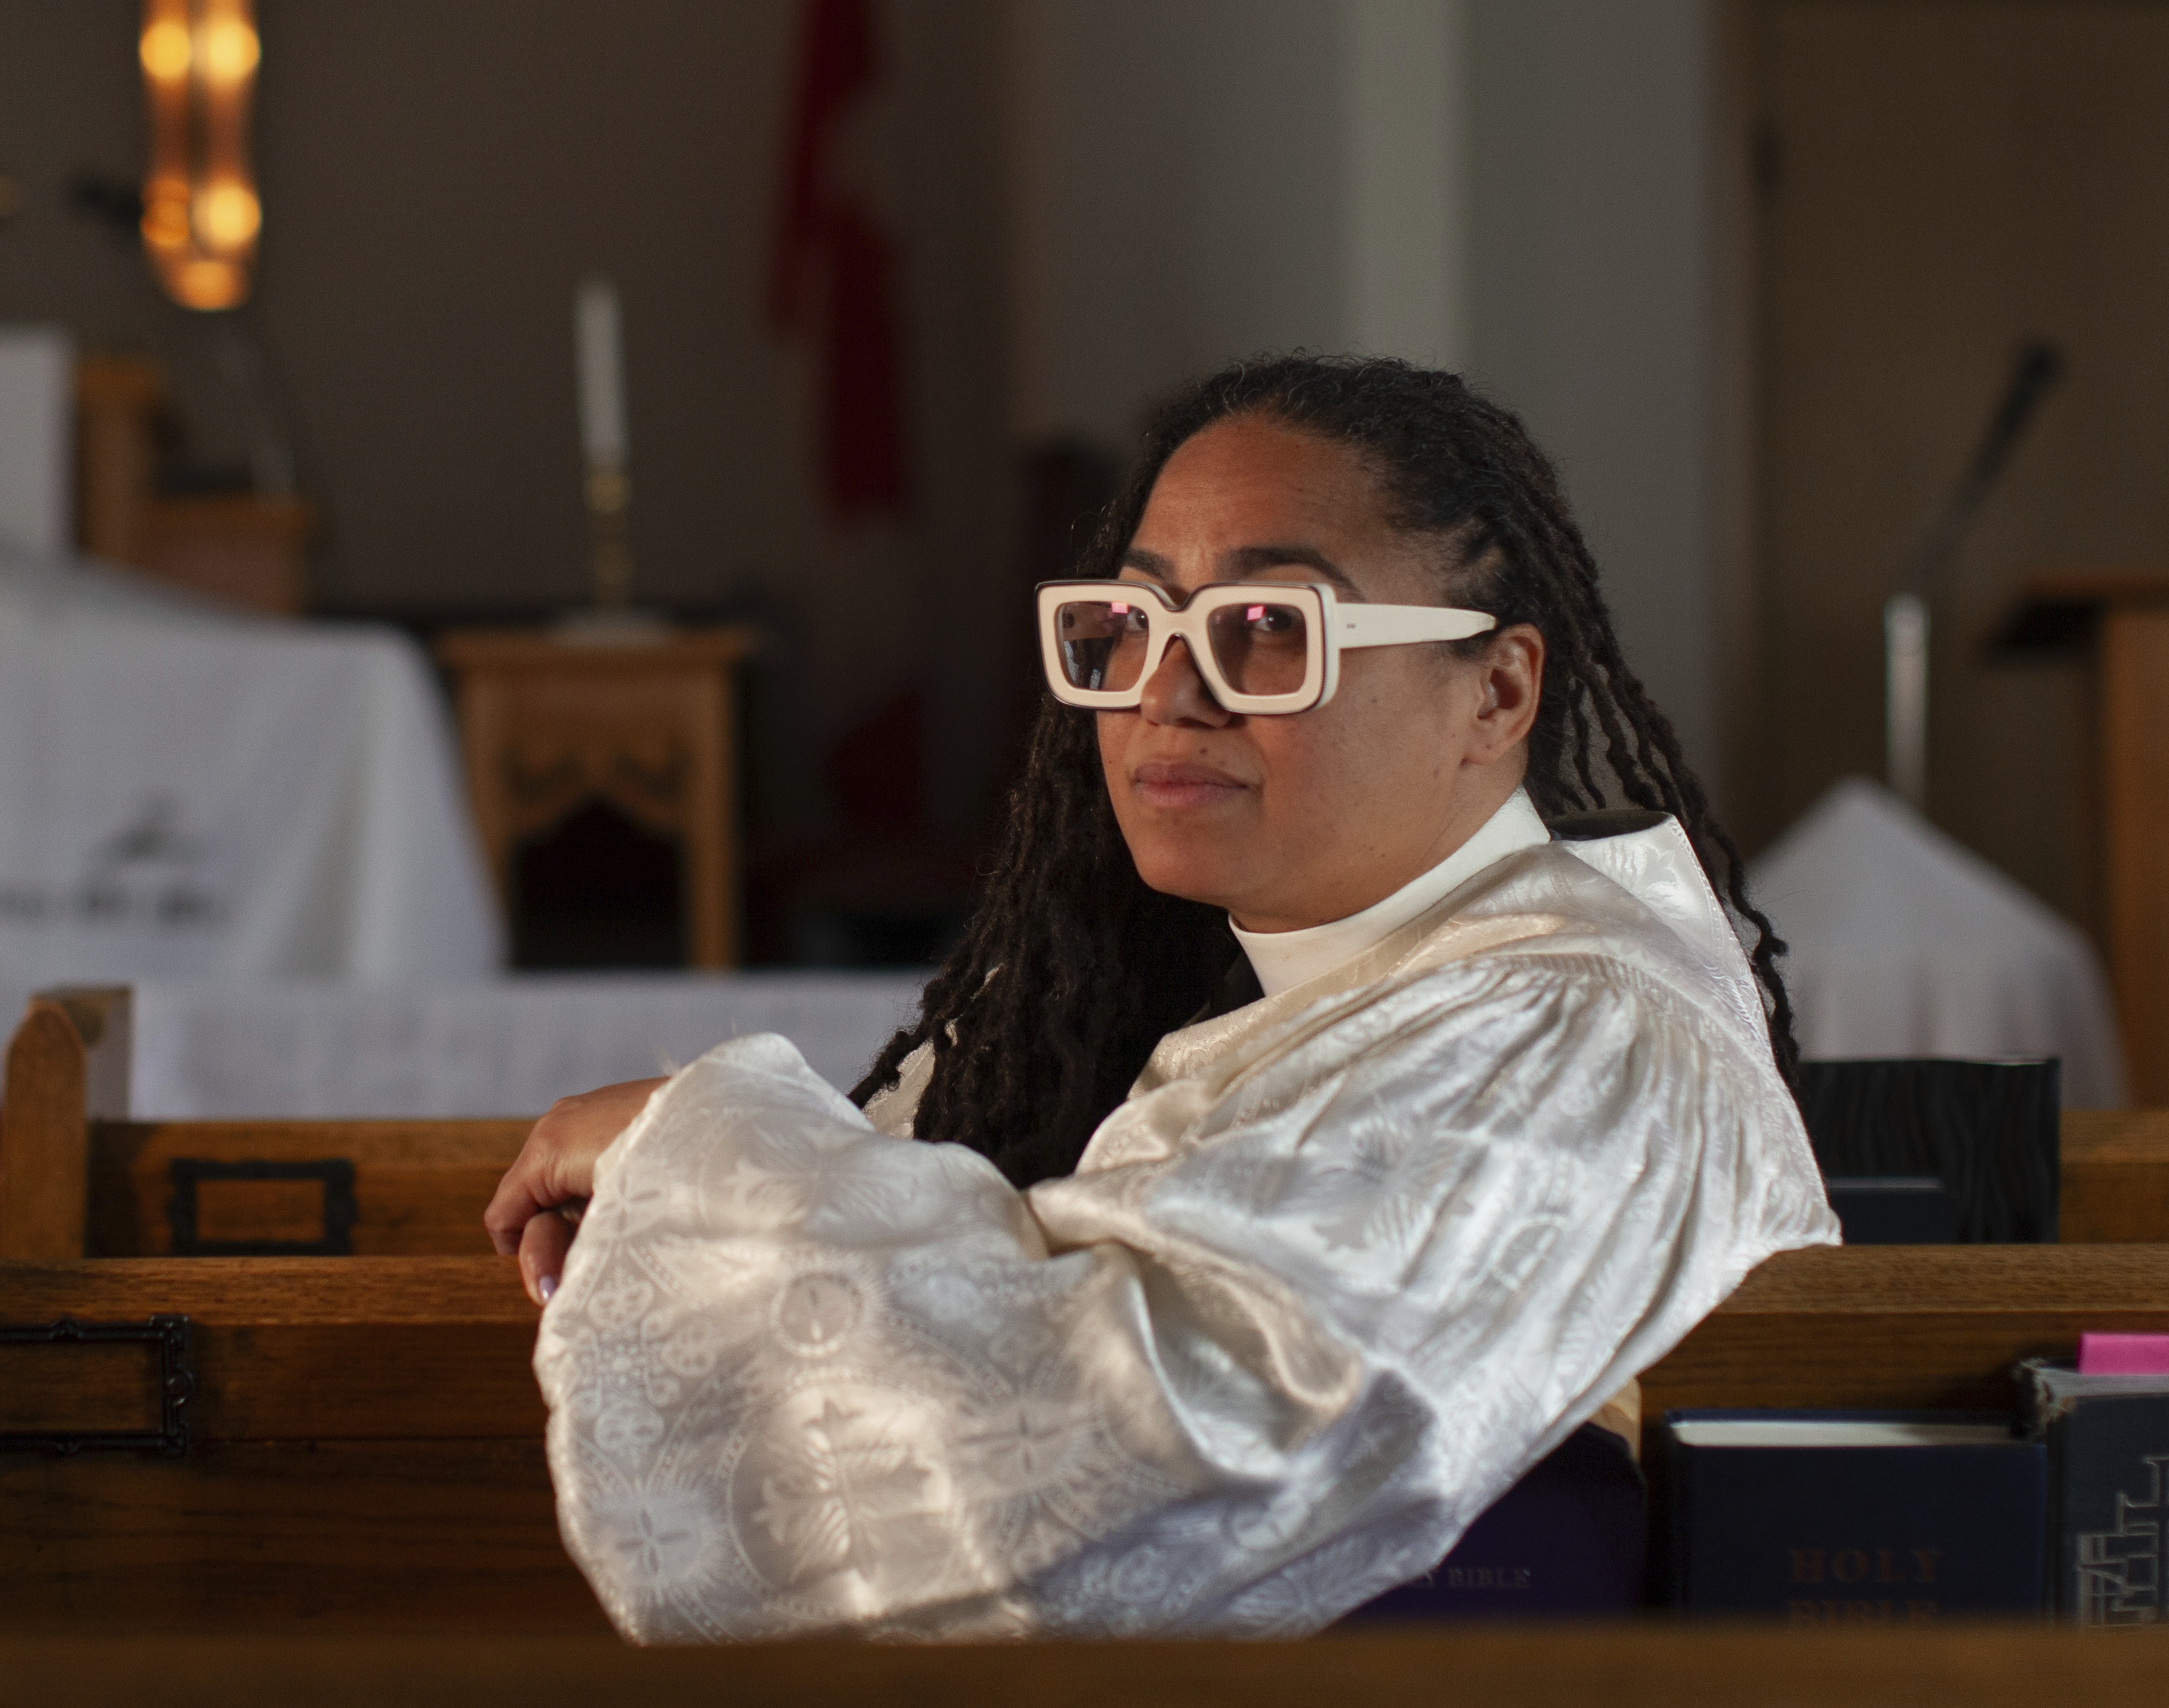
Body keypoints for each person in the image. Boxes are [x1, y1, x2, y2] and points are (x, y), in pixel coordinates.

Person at [485, 354, 1835, 1641]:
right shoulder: (1210, 964)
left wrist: (692, 1148)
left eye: (1263, 628)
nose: (1162, 696)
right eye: (1127, 625)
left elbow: (1149, 1451)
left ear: (1495, 690)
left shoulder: (1580, 1037)